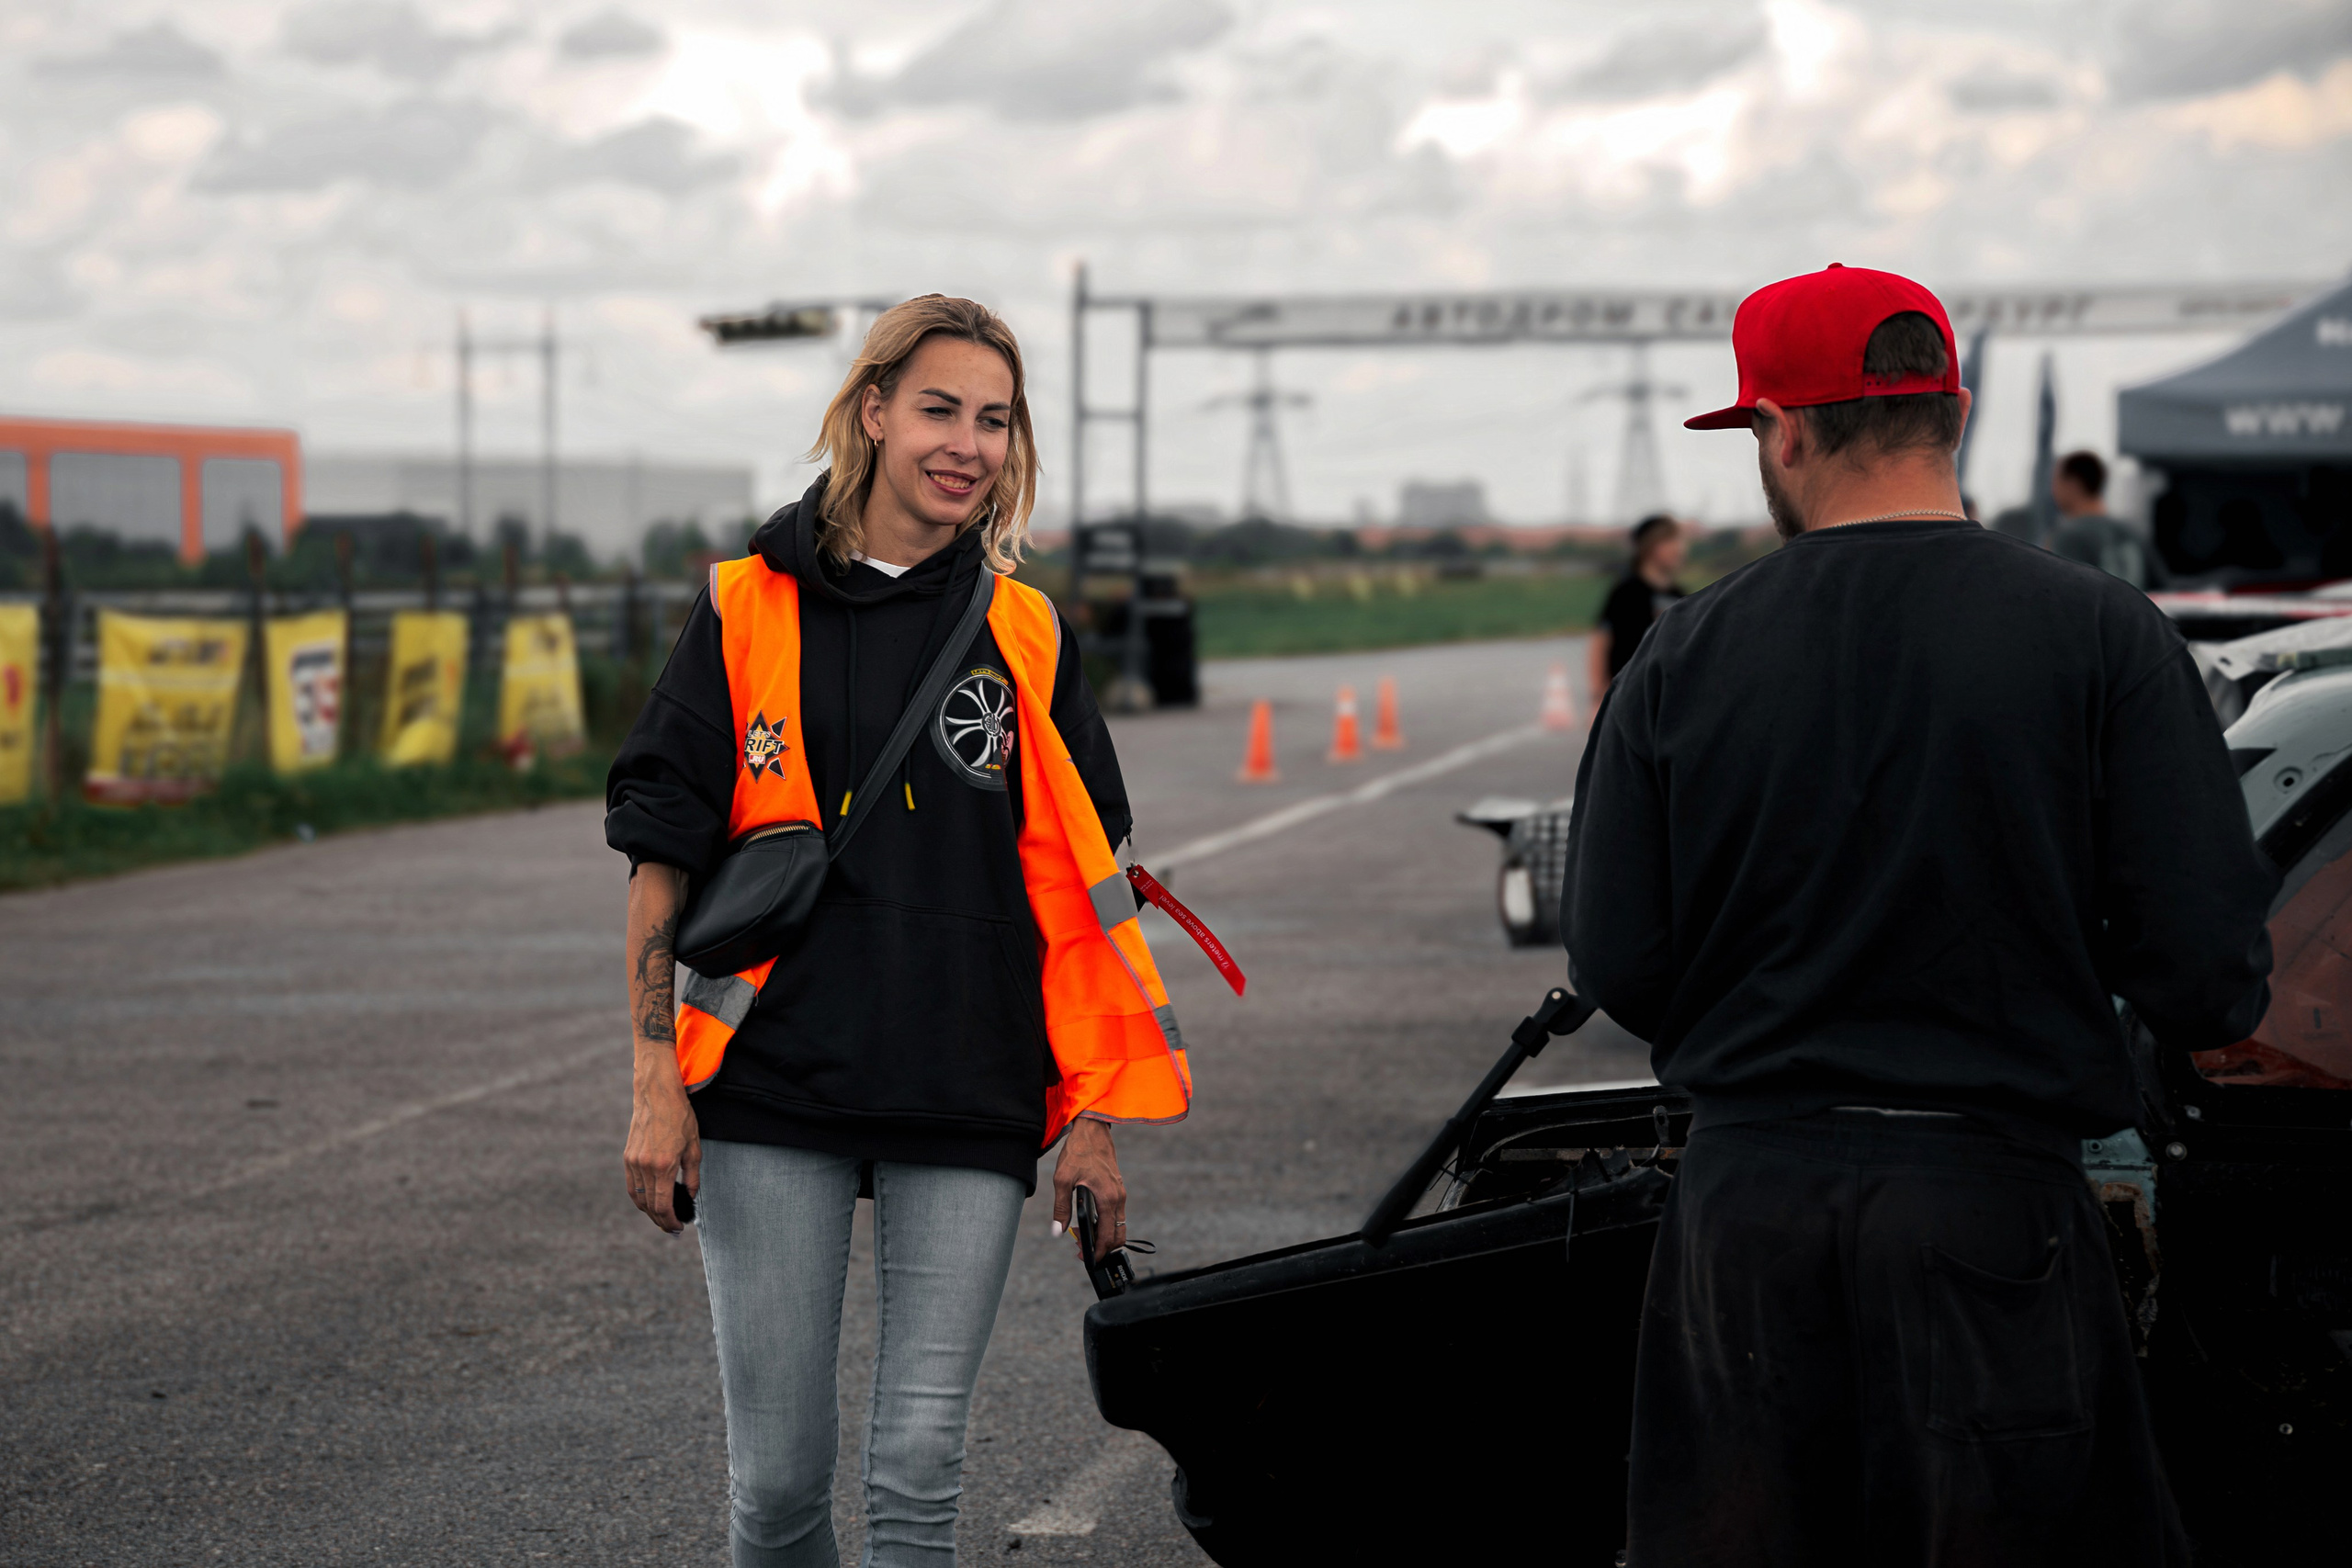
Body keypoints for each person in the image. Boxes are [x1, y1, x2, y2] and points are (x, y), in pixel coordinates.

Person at [1562, 264, 2275, 1567]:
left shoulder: (1685, 653)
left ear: (1779, 428)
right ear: (1954, 412)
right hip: (1994, 1210)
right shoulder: (2105, 636)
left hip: (1746, 1217)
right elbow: (2210, 974)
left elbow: (1617, 953)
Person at [605, 295, 1192, 1568]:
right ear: (872, 412)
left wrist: (1090, 1114)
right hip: (771, 1086)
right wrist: (656, 1079)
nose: (968, 443)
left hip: (967, 1086)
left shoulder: (1026, 632)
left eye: (995, 418)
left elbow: (1087, 901)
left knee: (920, 1470)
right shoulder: (743, 603)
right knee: (776, 1486)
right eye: (940, 408)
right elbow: (662, 857)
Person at [1588, 513, 1686, 705]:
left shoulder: (1680, 596)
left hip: (1665, 701)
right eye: (1670, 540)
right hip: (1626, 698)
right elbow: (1601, 641)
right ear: (1649, 547)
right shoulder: (1626, 592)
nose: (1679, 549)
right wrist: (1597, 697)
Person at [2050, 448, 2163, 589]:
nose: (2053, 490)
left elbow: (2062, 591)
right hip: (2136, 609)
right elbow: (2162, 587)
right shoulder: (2133, 533)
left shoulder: (2069, 536)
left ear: (2072, 483)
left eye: (2055, 480)